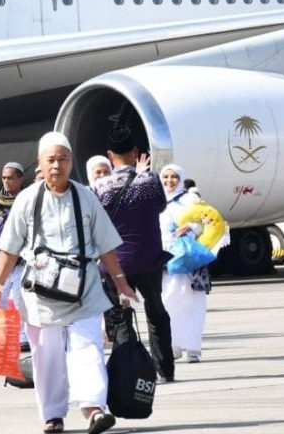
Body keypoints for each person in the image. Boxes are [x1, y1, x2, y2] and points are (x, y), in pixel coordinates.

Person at [0, 132, 135, 434]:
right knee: (47, 356)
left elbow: (106, 245)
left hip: (85, 289)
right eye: (50, 160)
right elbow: (9, 250)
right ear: (40, 163)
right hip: (40, 294)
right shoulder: (27, 199)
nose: (57, 165)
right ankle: (52, 415)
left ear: (71, 162)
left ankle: (94, 408)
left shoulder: (86, 196)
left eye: (63, 159)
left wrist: (121, 283)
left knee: (88, 347)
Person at [93, 126, 175, 383]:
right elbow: (161, 206)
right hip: (148, 258)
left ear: (109, 154)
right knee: (156, 313)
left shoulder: (99, 186)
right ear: (136, 151)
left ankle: (126, 369)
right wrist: (143, 173)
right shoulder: (150, 181)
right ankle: (165, 369)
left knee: (120, 317)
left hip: (114, 262)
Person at [158, 165, 220, 364]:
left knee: (193, 303)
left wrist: (190, 228)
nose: (169, 181)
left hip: (190, 259)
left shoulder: (191, 200)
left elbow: (207, 221)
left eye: (174, 177)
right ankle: (174, 345)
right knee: (168, 302)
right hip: (167, 258)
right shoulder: (157, 200)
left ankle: (193, 347)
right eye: (165, 176)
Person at [0, 161, 30, 350]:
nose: (6, 181)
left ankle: (23, 337)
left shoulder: (27, 199)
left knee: (20, 300)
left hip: (22, 259)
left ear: (20, 179)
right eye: (4, 178)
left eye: (10, 178)